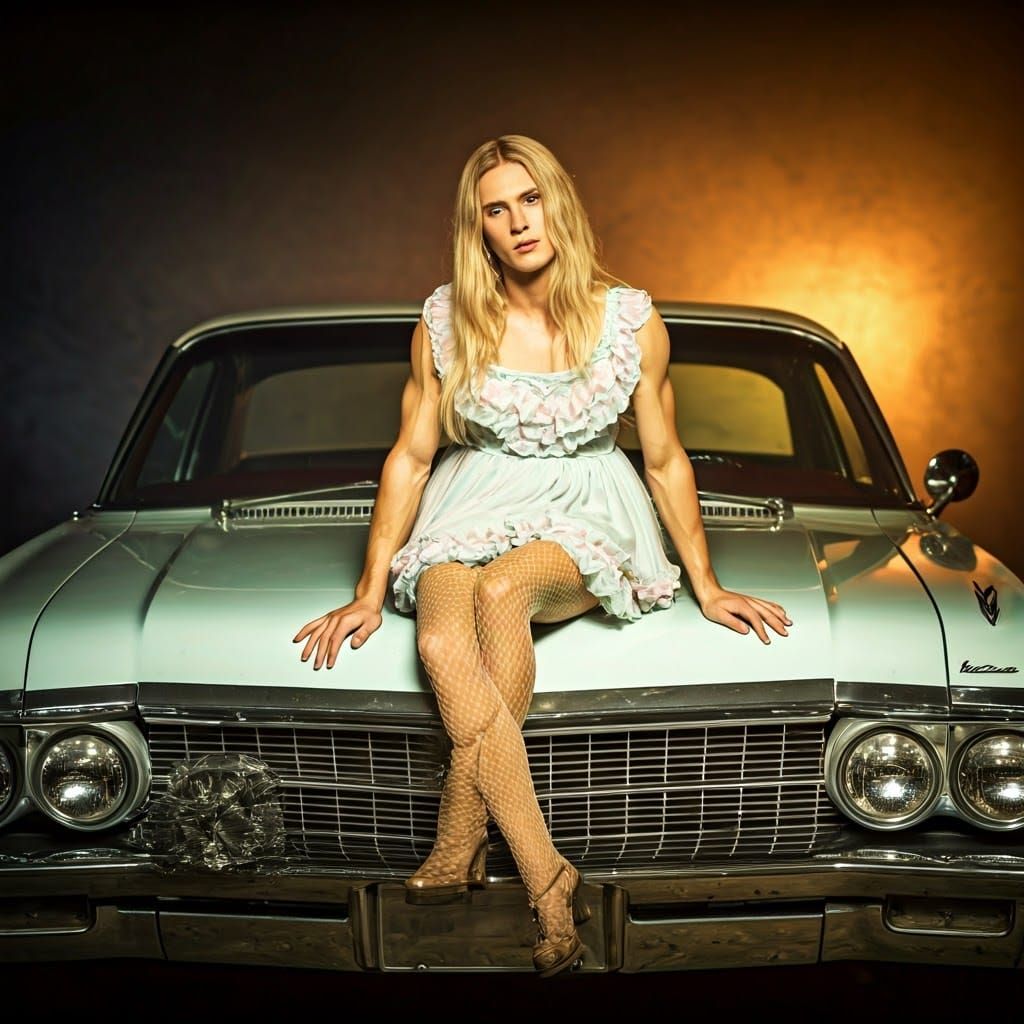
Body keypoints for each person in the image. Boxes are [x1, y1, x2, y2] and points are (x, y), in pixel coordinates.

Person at [292, 134, 792, 977]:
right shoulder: (445, 320)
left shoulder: (631, 318)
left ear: (560, 202)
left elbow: (665, 458)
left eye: (531, 199)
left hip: (586, 504)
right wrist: (368, 591)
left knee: (500, 596)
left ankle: (501, 859)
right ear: (478, 229)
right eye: (497, 209)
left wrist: (705, 584)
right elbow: (411, 458)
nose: (519, 222)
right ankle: (541, 859)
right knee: (444, 639)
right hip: (471, 500)